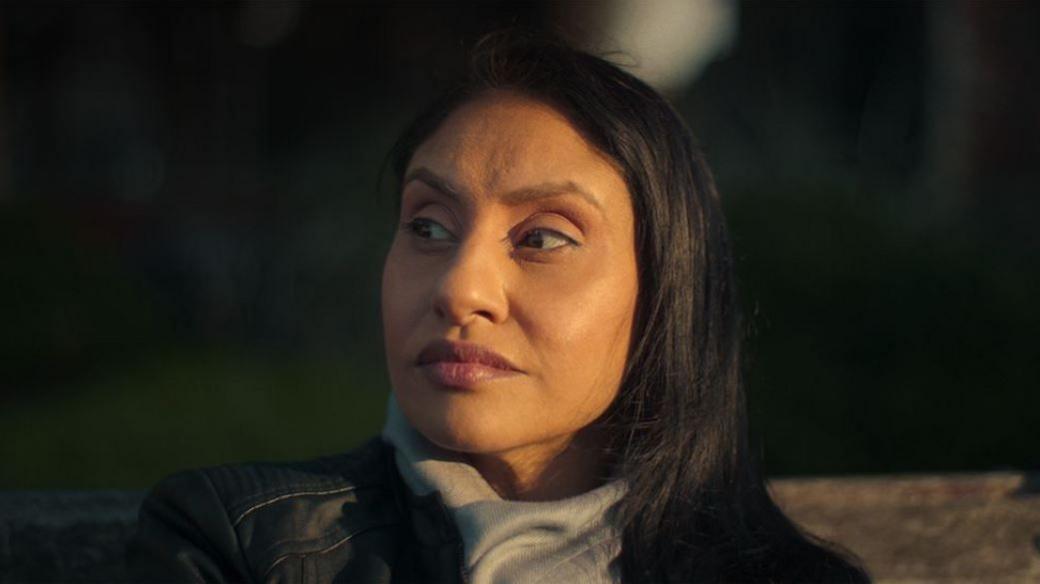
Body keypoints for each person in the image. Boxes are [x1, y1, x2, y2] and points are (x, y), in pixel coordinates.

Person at [128, 31, 869, 583]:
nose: (459, 289)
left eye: (543, 237)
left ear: (666, 293)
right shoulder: (239, 546)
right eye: (428, 227)